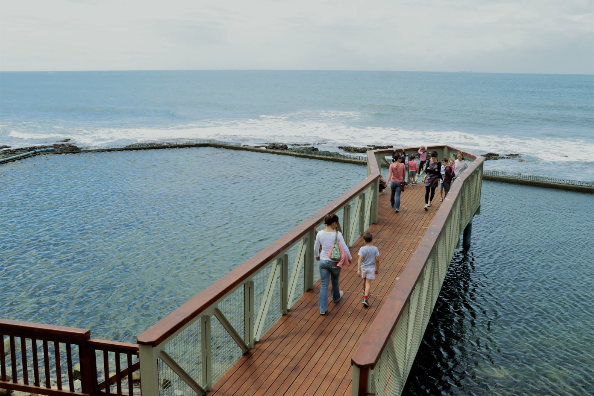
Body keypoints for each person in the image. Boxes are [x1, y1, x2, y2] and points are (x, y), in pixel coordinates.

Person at [314, 214, 351, 315]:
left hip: (323, 262)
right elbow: (345, 248)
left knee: (324, 285)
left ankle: (322, 309)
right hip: (334, 262)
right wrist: (350, 257)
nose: (337, 225)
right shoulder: (337, 234)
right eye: (336, 223)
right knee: (335, 281)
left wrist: (317, 256)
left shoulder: (320, 233)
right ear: (334, 223)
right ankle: (336, 297)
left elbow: (316, 248)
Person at [357, 232, 380, 307]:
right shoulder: (375, 249)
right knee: (368, 284)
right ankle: (365, 299)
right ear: (371, 239)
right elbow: (377, 260)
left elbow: (360, 259)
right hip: (371, 267)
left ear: (364, 240)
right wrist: (377, 268)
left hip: (363, 267)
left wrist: (358, 270)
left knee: (364, 281)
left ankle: (364, 292)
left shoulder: (362, 249)